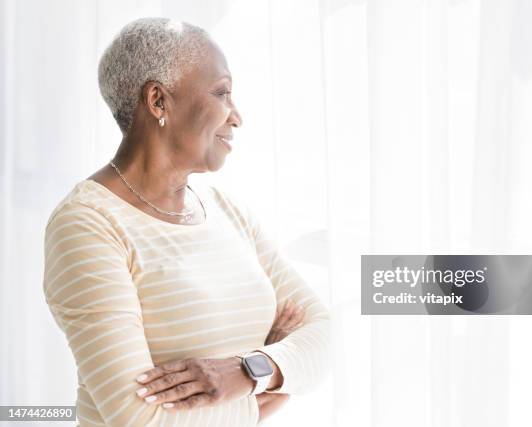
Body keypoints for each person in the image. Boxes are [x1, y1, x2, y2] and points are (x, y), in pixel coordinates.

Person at [42, 17, 330, 426]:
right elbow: (139, 419)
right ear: (158, 101)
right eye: (222, 93)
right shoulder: (86, 225)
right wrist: (279, 384)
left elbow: (324, 334)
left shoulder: (229, 211)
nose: (237, 117)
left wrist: (248, 371)